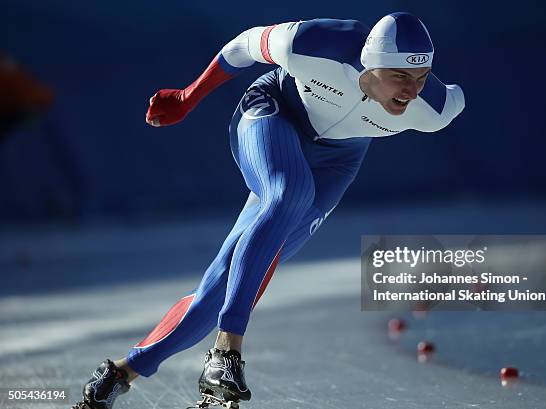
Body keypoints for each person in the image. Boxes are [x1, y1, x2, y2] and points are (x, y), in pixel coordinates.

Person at [71, 12, 464, 409]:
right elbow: (242, 46)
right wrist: (188, 97)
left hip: (337, 161)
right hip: (274, 113)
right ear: (370, 62)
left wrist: (417, 84)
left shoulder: (434, 110)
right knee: (288, 193)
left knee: (228, 281)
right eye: (400, 77)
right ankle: (226, 354)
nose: (412, 90)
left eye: (421, 77)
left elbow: (446, 94)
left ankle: (122, 372)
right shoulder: (317, 45)